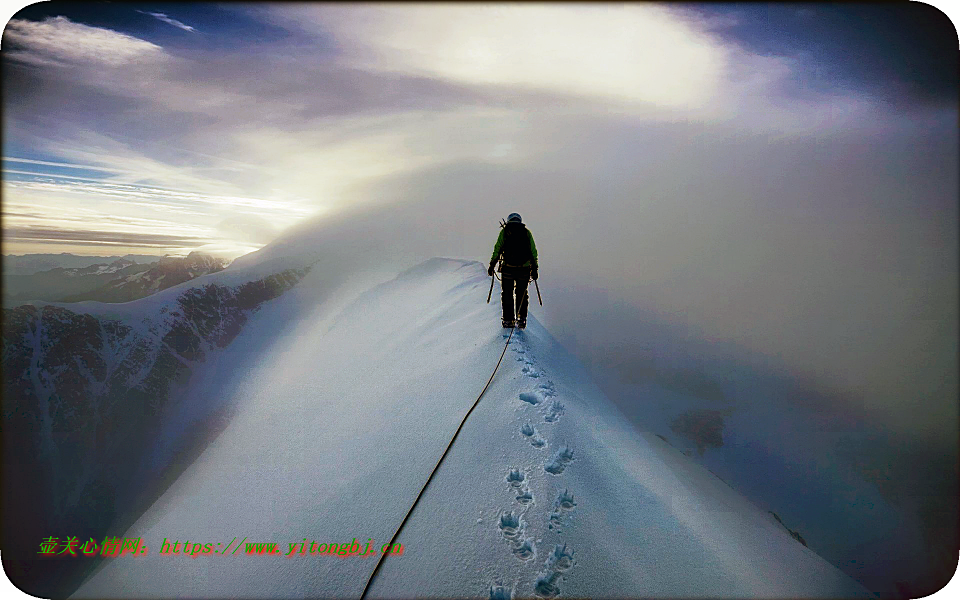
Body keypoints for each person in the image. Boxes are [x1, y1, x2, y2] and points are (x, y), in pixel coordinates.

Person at [488, 213, 538, 329]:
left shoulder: (505, 232)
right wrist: (534, 269)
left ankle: (508, 320)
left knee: (507, 294)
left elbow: (498, 249)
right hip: (524, 269)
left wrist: (492, 265)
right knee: (522, 294)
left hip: (508, 269)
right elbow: (533, 251)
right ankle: (521, 318)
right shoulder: (526, 232)